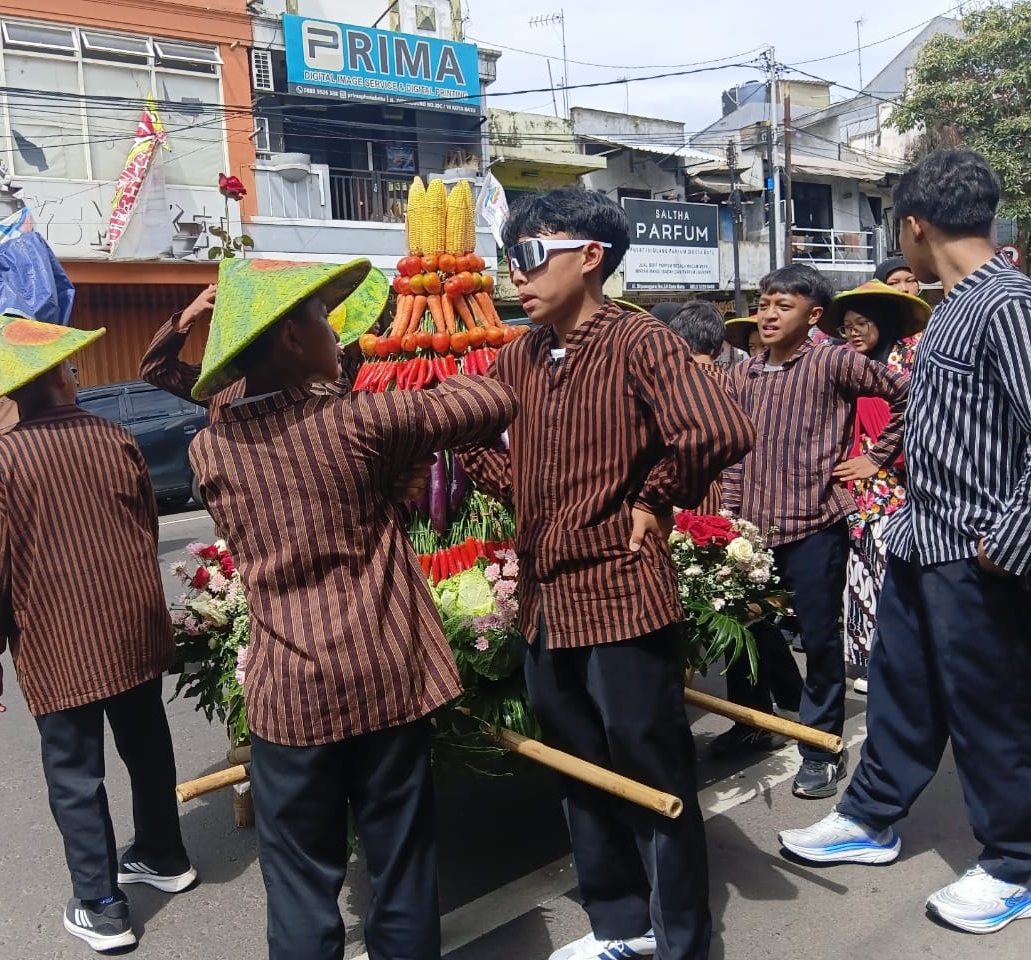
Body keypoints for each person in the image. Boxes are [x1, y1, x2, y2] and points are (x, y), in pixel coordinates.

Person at [187, 256, 518, 960]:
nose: (337, 337)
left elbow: (276, 452)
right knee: (400, 867)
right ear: (288, 339)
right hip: (382, 680)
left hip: (290, 694)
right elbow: (485, 404)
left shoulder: (208, 450)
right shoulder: (358, 422)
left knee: (302, 883)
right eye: (321, 322)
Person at [457, 189, 754, 960]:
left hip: (623, 596)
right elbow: (475, 440)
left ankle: (684, 938)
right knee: (578, 769)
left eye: (531, 254)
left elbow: (719, 428)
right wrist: (517, 487)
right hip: (545, 601)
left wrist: (654, 499)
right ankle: (621, 923)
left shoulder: (638, 341)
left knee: (651, 767)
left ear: (591, 257)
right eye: (510, 256)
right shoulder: (518, 353)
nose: (516, 274)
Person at [780, 149, 1031, 936]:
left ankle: (1016, 864)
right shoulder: (950, 304)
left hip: (979, 551)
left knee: (991, 712)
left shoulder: (1007, 303)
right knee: (901, 693)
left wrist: (1011, 538)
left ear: (913, 225)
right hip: (922, 540)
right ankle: (871, 818)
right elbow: (933, 422)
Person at [0, 317, 195, 953]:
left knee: (74, 771)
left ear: (13, 394)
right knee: (147, 747)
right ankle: (165, 855)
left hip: (58, 644)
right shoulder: (115, 439)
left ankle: (102, 903)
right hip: (132, 627)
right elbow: (145, 529)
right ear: (61, 377)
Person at [720, 263, 909, 799]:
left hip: (816, 525)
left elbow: (906, 394)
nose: (769, 313)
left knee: (820, 637)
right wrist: (732, 517)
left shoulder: (833, 361)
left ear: (814, 315)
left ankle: (820, 745)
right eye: (764, 302)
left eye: (784, 305)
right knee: (744, 630)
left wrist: (876, 457)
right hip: (752, 531)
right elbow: (734, 454)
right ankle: (751, 723)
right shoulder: (744, 373)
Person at [669, 301, 804, 759]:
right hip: (740, 516)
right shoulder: (738, 382)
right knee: (748, 619)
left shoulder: (675, 387)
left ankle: (754, 721)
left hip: (692, 517)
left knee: (723, 626)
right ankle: (788, 703)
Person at [818, 282, 930, 689]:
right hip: (856, 490)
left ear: (880, 323)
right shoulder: (845, 366)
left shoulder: (907, 367)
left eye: (861, 324)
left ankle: (899, 655)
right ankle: (869, 658)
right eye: (847, 326)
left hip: (902, 488)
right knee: (863, 572)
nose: (853, 333)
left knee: (892, 574)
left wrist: (878, 457)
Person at [140, 269, 389, 418]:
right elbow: (156, 370)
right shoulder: (222, 386)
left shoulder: (328, 371)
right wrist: (188, 316)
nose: (376, 326)